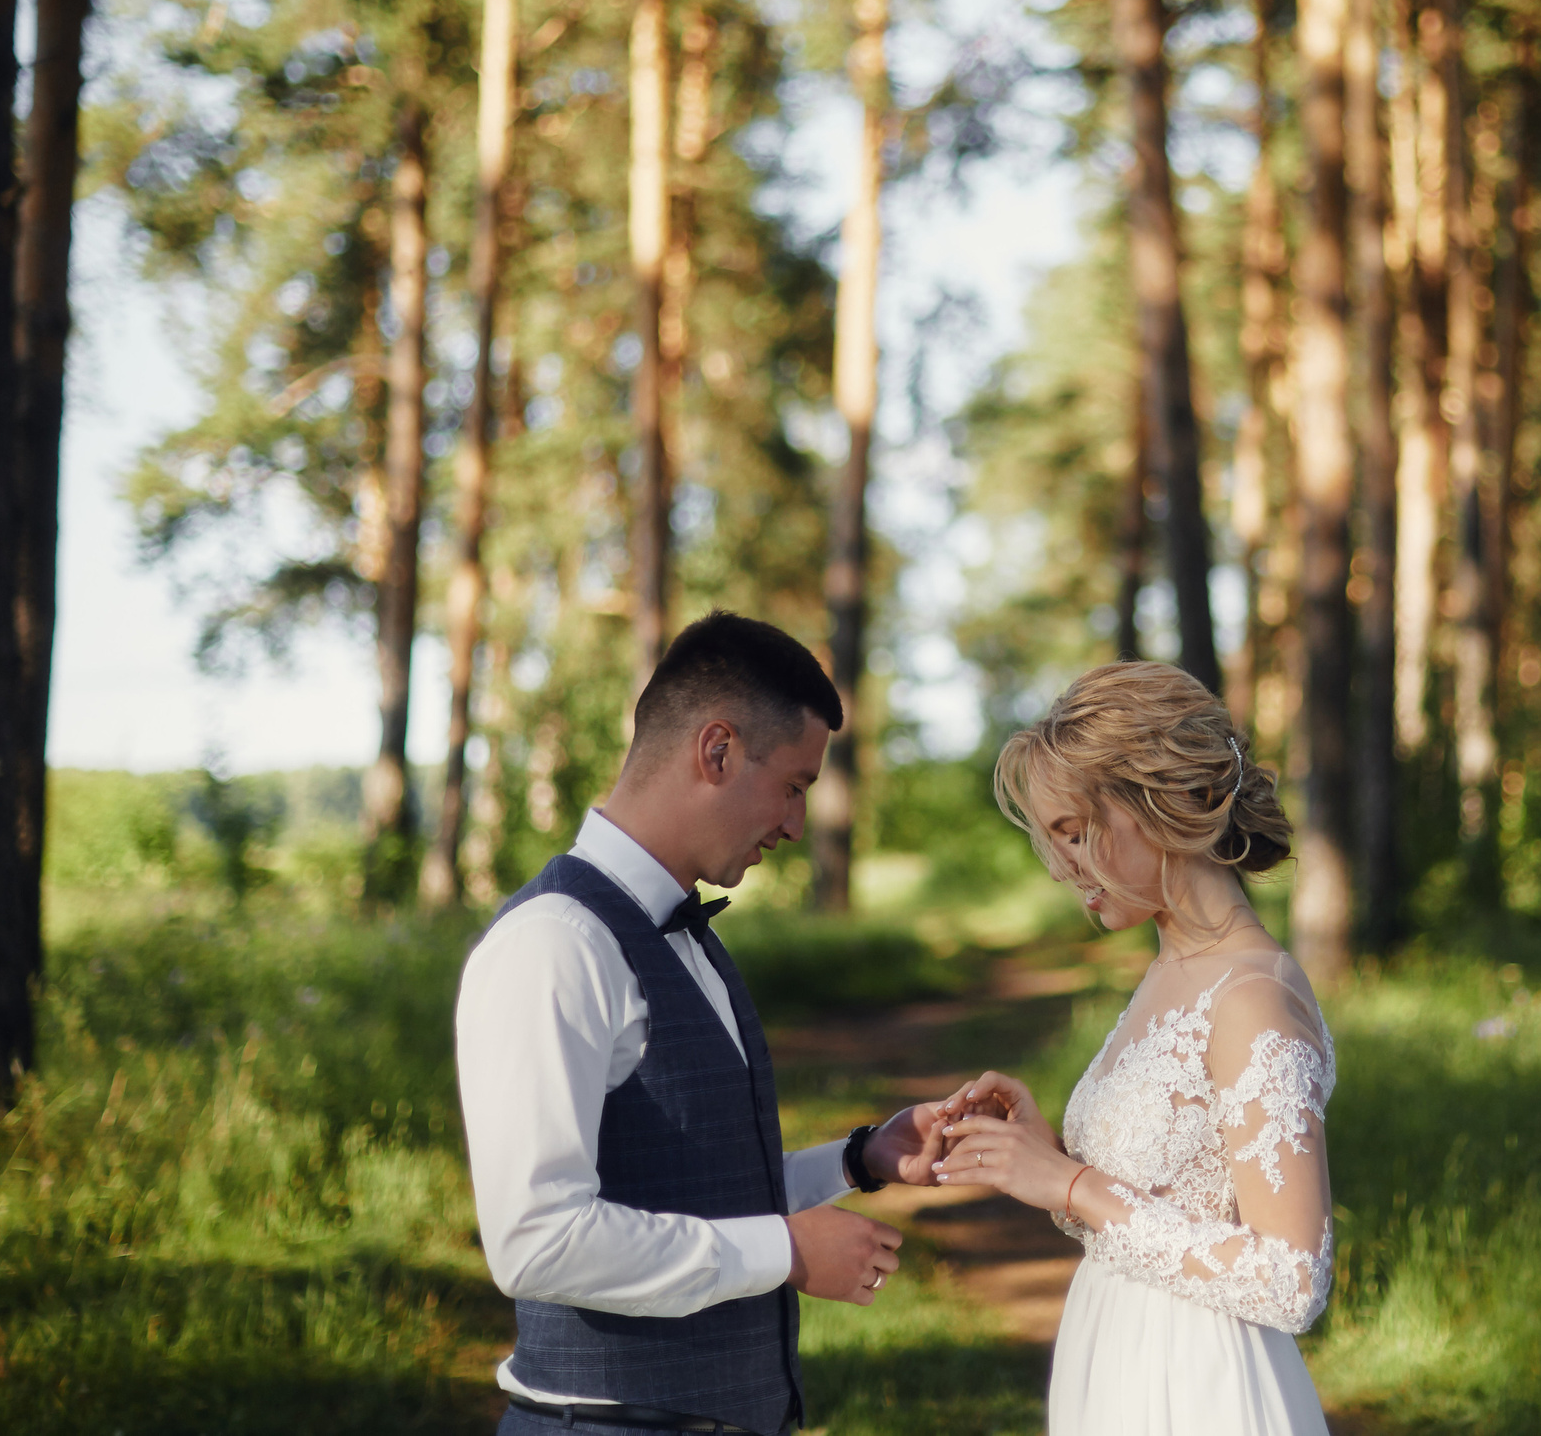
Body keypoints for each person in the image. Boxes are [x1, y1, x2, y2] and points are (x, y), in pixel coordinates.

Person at [455, 611, 959, 1436]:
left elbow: (695, 1184)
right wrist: (786, 1252)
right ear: (716, 750)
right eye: (794, 785)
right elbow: (535, 1241)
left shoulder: (687, 935)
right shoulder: (555, 944)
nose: (796, 825)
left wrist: (862, 1157)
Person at [931, 661, 1337, 1436]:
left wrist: (1074, 1181)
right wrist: (1044, 1158)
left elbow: (1292, 1279)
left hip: (1198, 1384)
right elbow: (1149, 1212)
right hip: (1115, 1356)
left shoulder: (1251, 996)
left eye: (1077, 833)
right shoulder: (1170, 969)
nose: (1064, 867)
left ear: (1159, 804)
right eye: (1055, 840)